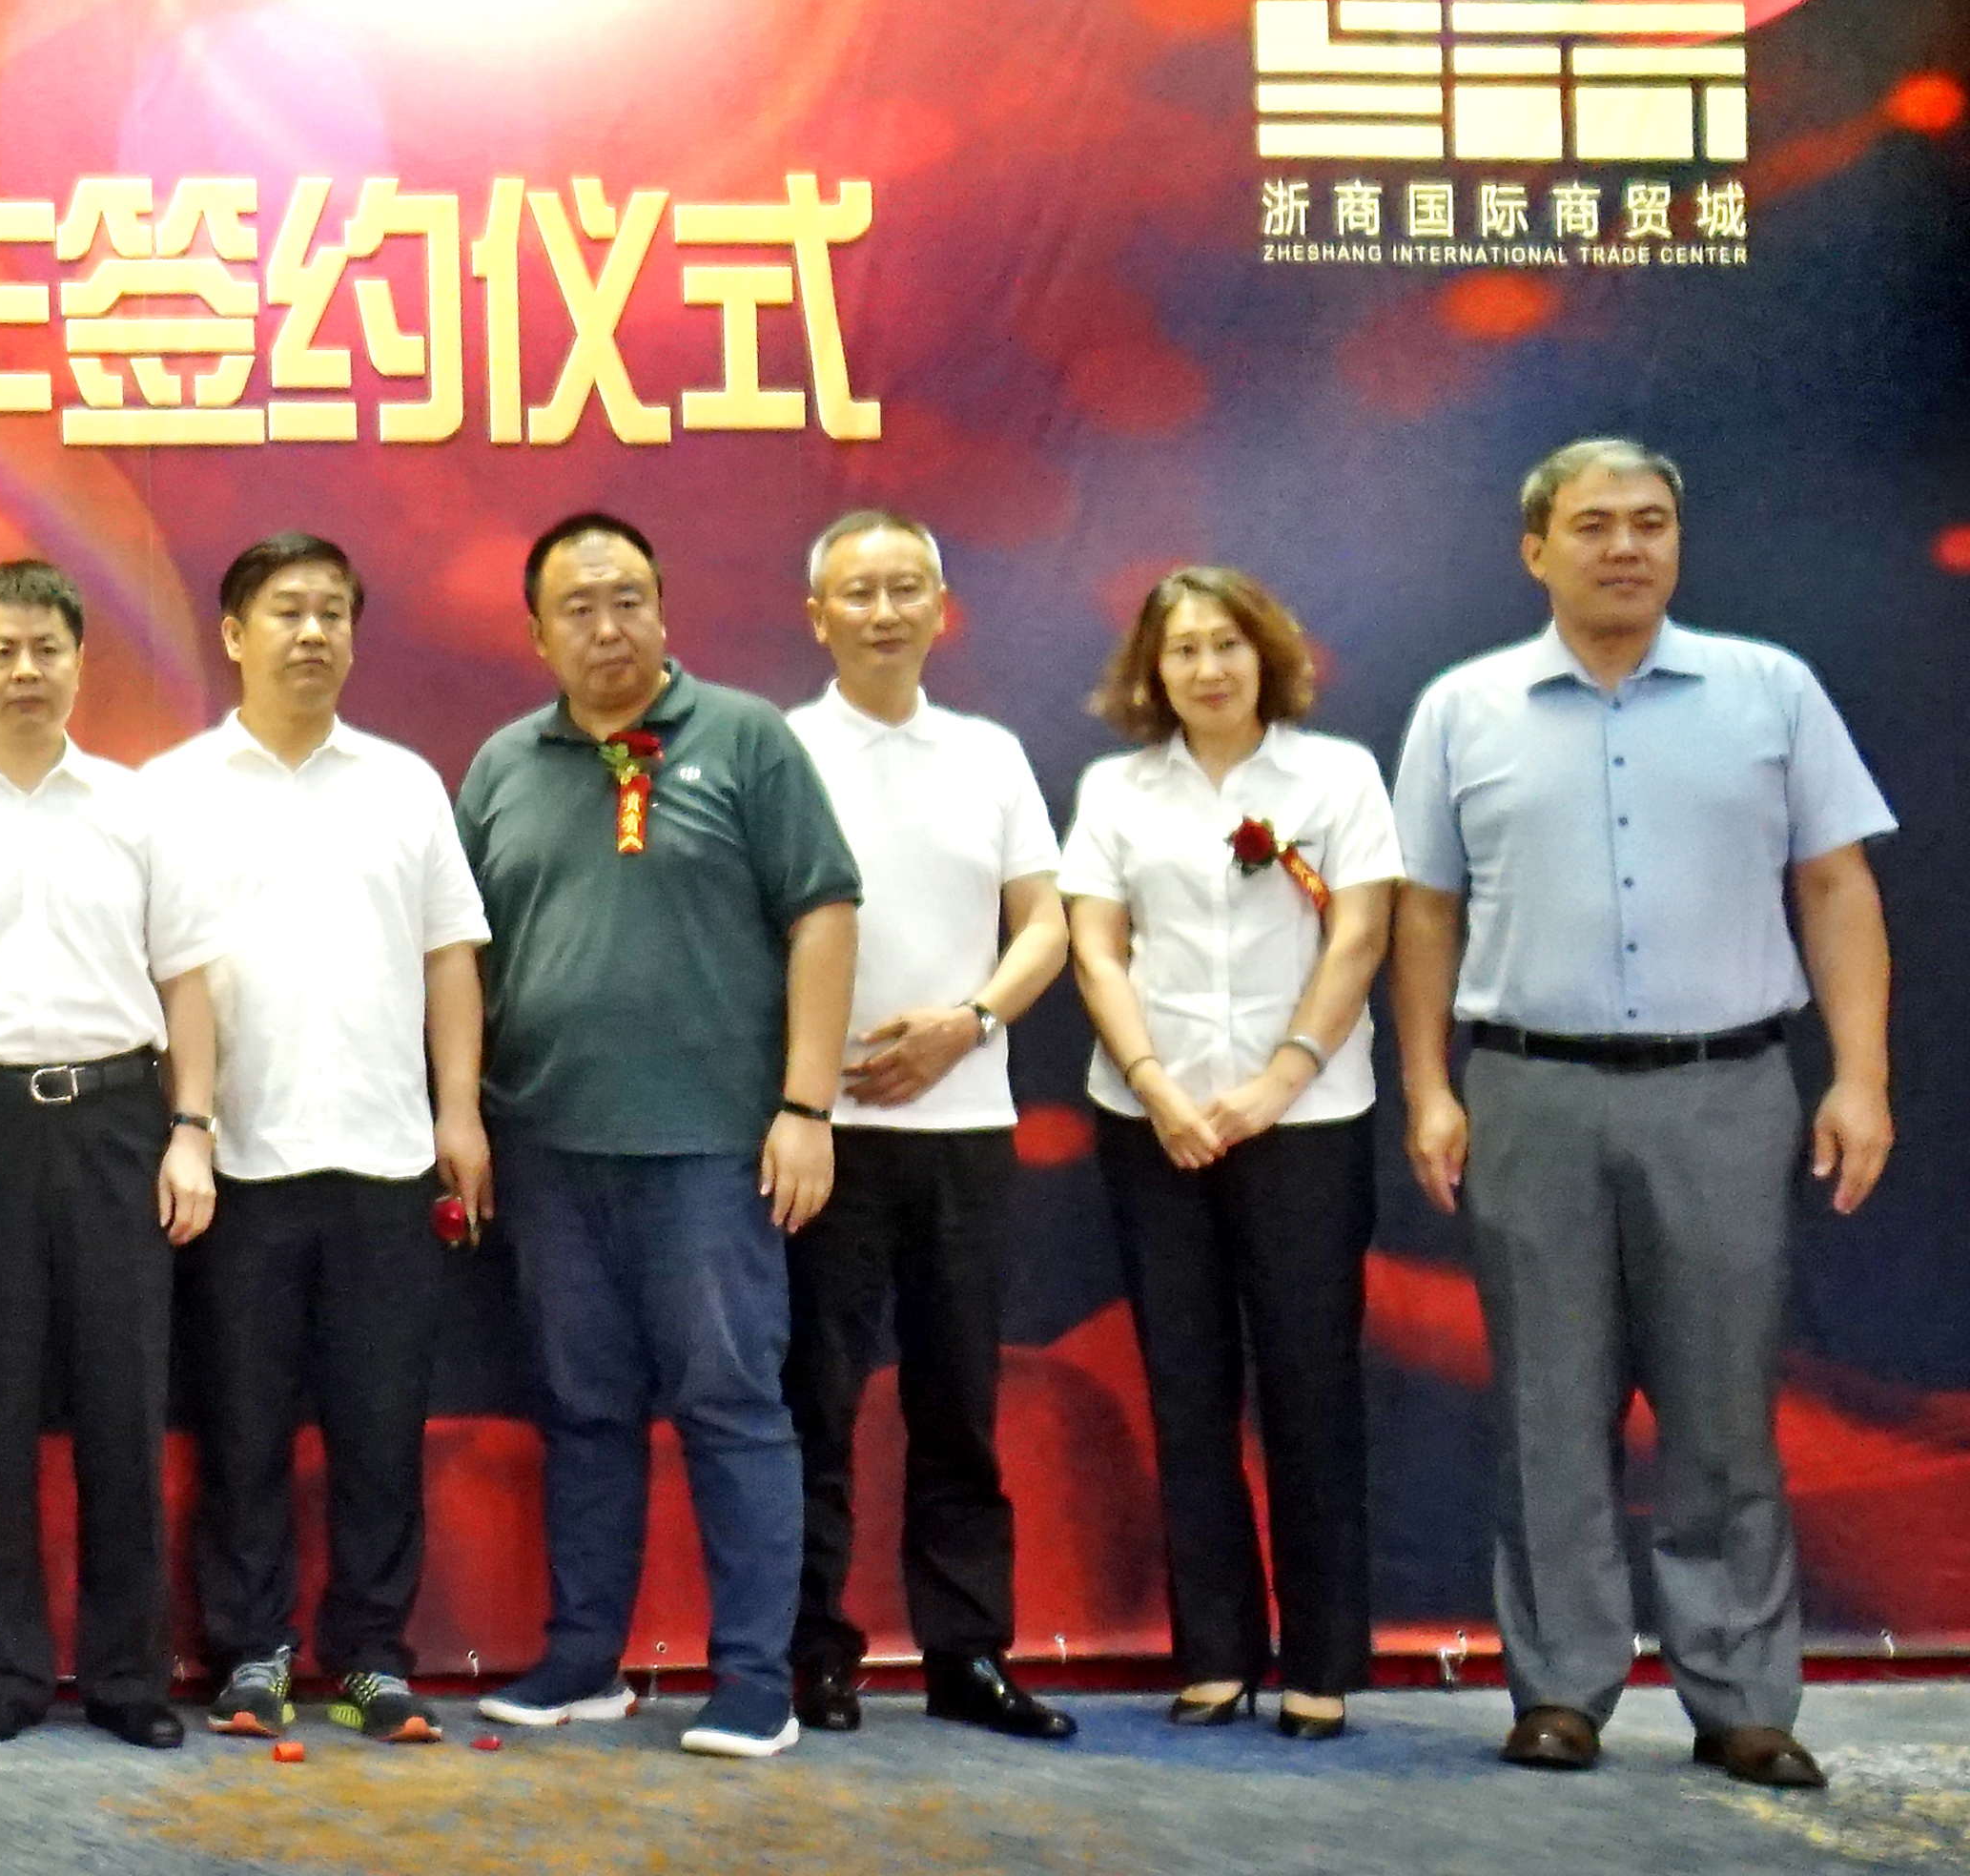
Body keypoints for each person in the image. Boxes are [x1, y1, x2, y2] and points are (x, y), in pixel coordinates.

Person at [1390, 439, 1894, 1790]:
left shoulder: (1770, 690)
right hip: (1529, 1091)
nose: (1626, 546)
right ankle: (1561, 1688)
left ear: (1678, 541)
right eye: (1595, 524)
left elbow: (1836, 886)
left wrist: (1860, 1076)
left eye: (1652, 522)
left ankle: (1741, 1699)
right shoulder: (1464, 708)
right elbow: (1426, 910)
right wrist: (1430, 1085)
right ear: (1534, 549)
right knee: (1547, 1406)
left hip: (1726, 1088)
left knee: (1724, 1405)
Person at [457, 511, 858, 1762]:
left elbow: (825, 914)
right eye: (577, 607)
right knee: (582, 1408)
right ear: (537, 634)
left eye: (628, 598)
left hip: (712, 1148)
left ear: (664, 608)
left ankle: (754, 1681)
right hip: (547, 1145)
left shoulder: (747, 739)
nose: (607, 626)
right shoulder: (502, 766)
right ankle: (584, 1659)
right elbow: (460, 954)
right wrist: (465, 1112)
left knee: (731, 1402)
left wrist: (807, 1107)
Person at [138, 534, 487, 1751]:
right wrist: (186, 1127)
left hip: (388, 1158)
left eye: (333, 611)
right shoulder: (171, 791)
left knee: (380, 1428)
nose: (312, 632)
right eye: (286, 611)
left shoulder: (405, 784)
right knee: (241, 1430)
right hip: (237, 1161)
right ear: (234, 635)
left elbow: (451, 956)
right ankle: (252, 1652)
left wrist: (459, 1111)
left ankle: (373, 1659)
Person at [0, 558, 219, 1749]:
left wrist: (191, 1131)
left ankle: (130, 1679)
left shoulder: (137, 807)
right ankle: (6, 1675)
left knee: (126, 1406)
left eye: (47, 650)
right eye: (2, 651)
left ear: (80, 662)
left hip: (119, 1119)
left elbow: (186, 983)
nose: (26, 670)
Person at [1060, 566, 1396, 1742]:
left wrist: (1278, 1079)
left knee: (1310, 1383)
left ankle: (1322, 1660)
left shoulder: (1336, 776)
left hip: (1304, 1119)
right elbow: (1096, 948)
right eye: (1183, 650)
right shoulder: (1116, 788)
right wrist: (1156, 1085)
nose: (1207, 669)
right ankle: (1213, 1650)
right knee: (1185, 1386)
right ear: (1153, 671)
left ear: (1267, 655)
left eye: (1227, 645)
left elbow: (1361, 934)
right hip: (1155, 1124)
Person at [777, 513, 1077, 1742]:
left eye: (907, 589)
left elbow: (1046, 924)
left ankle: (967, 1653)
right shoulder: (780, 751)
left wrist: (970, 1020)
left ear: (942, 608)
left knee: (960, 1401)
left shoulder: (989, 754)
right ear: (818, 617)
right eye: (859, 592)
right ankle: (813, 1653)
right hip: (825, 1132)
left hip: (964, 1121)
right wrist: (801, 1095)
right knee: (816, 1403)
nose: (885, 612)